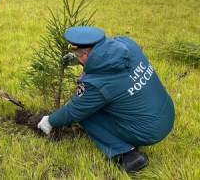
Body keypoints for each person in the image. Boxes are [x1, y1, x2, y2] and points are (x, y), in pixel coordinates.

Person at [37, 26, 175, 173]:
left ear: (84, 55)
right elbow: (105, 57)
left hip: (148, 130)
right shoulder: (127, 44)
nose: (78, 59)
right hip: (167, 112)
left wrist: (50, 121)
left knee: (86, 115)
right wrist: (81, 61)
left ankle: (129, 154)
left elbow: (74, 111)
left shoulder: (98, 83)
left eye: (78, 56)